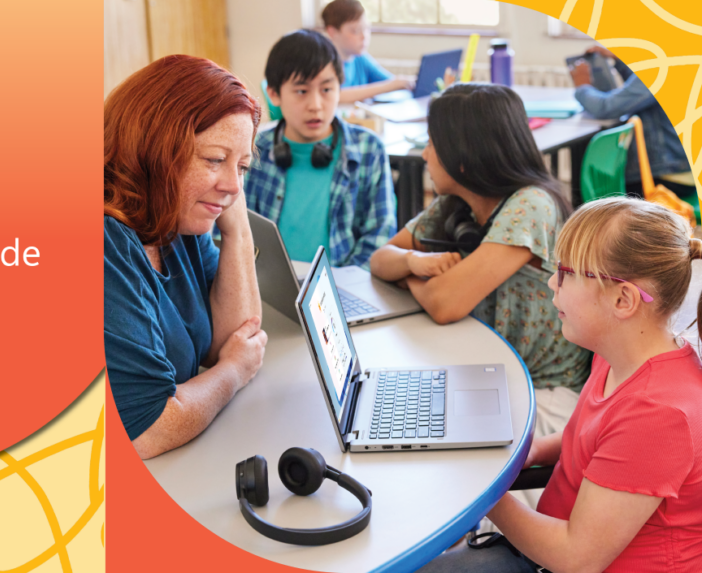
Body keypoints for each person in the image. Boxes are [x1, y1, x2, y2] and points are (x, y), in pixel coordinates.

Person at [419, 197, 702, 572]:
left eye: (566, 272)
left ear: (623, 299)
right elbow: (589, 442)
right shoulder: (619, 353)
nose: (553, 282)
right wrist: (535, 450)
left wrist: (485, 492)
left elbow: (576, 559)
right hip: (550, 545)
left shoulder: (657, 414)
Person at [369, 84, 591, 435]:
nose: (425, 155)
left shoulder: (532, 205)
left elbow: (444, 303)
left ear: (462, 156)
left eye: (431, 143)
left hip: (545, 394)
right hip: (492, 374)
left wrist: (412, 276)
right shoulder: (456, 203)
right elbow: (380, 259)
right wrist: (414, 262)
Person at [104, 55, 268, 459]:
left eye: (243, 167)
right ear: (153, 150)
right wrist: (231, 373)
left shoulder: (176, 214)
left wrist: (237, 230)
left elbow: (234, 337)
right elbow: (147, 430)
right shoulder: (105, 241)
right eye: (214, 159)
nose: (232, 184)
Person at [246, 29, 396, 269]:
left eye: (326, 90)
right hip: (269, 289)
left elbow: (379, 237)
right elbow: (235, 232)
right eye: (301, 91)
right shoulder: (254, 150)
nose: (316, 106)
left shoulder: (368, 149)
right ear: (274, 94)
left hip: (345, 287)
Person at [571, 45, 694, 198]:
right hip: (684, 169)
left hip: (668, 176)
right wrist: (620, 58)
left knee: (596, 177)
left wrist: (583, 85)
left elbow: (606, 107)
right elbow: (638, 86)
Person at [321, 0, 413, 104]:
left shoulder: (360, 57)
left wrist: (405, 82)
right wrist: (392, 85)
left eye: (366, 29)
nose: (364, 36)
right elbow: (336, 95)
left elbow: (390, 81)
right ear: (332, 32)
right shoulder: (324, 64)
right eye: (355, 31)